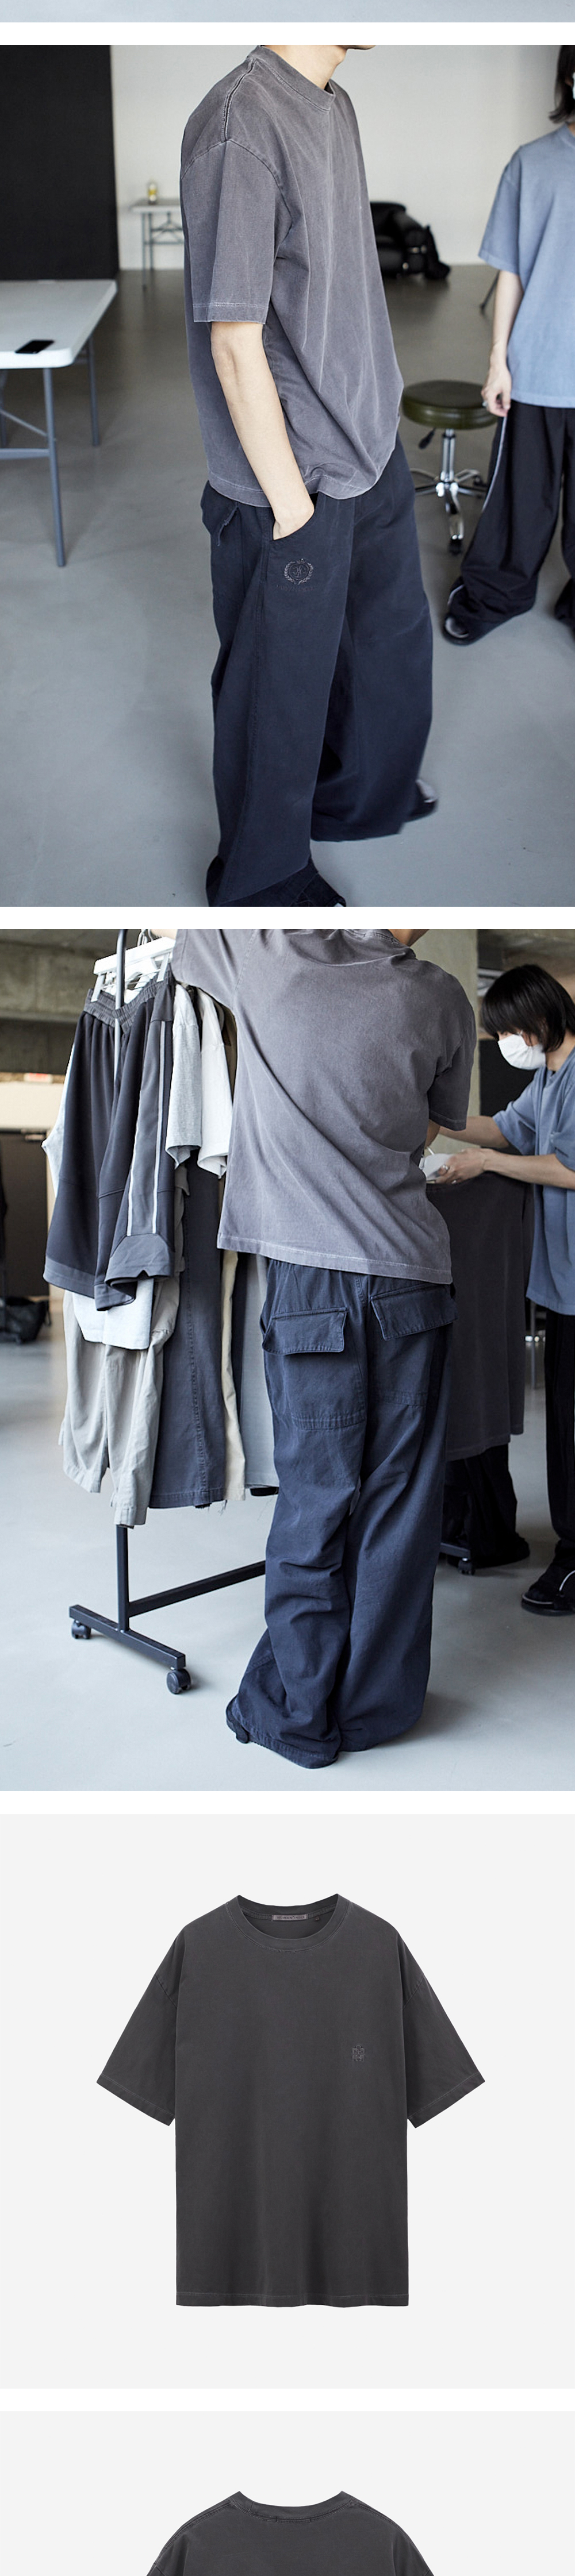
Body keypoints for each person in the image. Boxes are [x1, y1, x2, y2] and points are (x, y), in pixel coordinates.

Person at [170, 926, 476, 1766]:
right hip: (413, 1273)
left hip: (313, 1279)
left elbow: (168, 920)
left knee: (317, 1495)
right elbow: (427, 1130)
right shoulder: (442, 996)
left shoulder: (267, 950)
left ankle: (299, 1714)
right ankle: (375, 1709)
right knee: (400, 1505)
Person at [179, 44, 435, 907]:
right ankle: (263, 875)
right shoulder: (239, 125)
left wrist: (376, 416)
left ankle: (361, 797)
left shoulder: (333, 101)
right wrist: (292, 507)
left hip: (368, 442)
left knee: (387, 643)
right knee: (277, 694)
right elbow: (232, 339)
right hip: (293, 476)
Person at [438, 962, 575, 1616]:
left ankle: (574, 1559)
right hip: (562, 1283)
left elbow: (569, 1168)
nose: (506, 1044)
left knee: (571, 1431)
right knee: (564, 1427)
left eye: (508, 1032)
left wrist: (486, 1163)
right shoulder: (548, 1077)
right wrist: (434, 1115)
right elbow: (502, 1128)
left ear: (539, 1018)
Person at [444, 45, 575, 645]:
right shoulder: (531, 163)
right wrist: (498, 361)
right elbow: (511, 272)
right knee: (521, 503)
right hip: (538, 368)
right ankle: (494, 595)